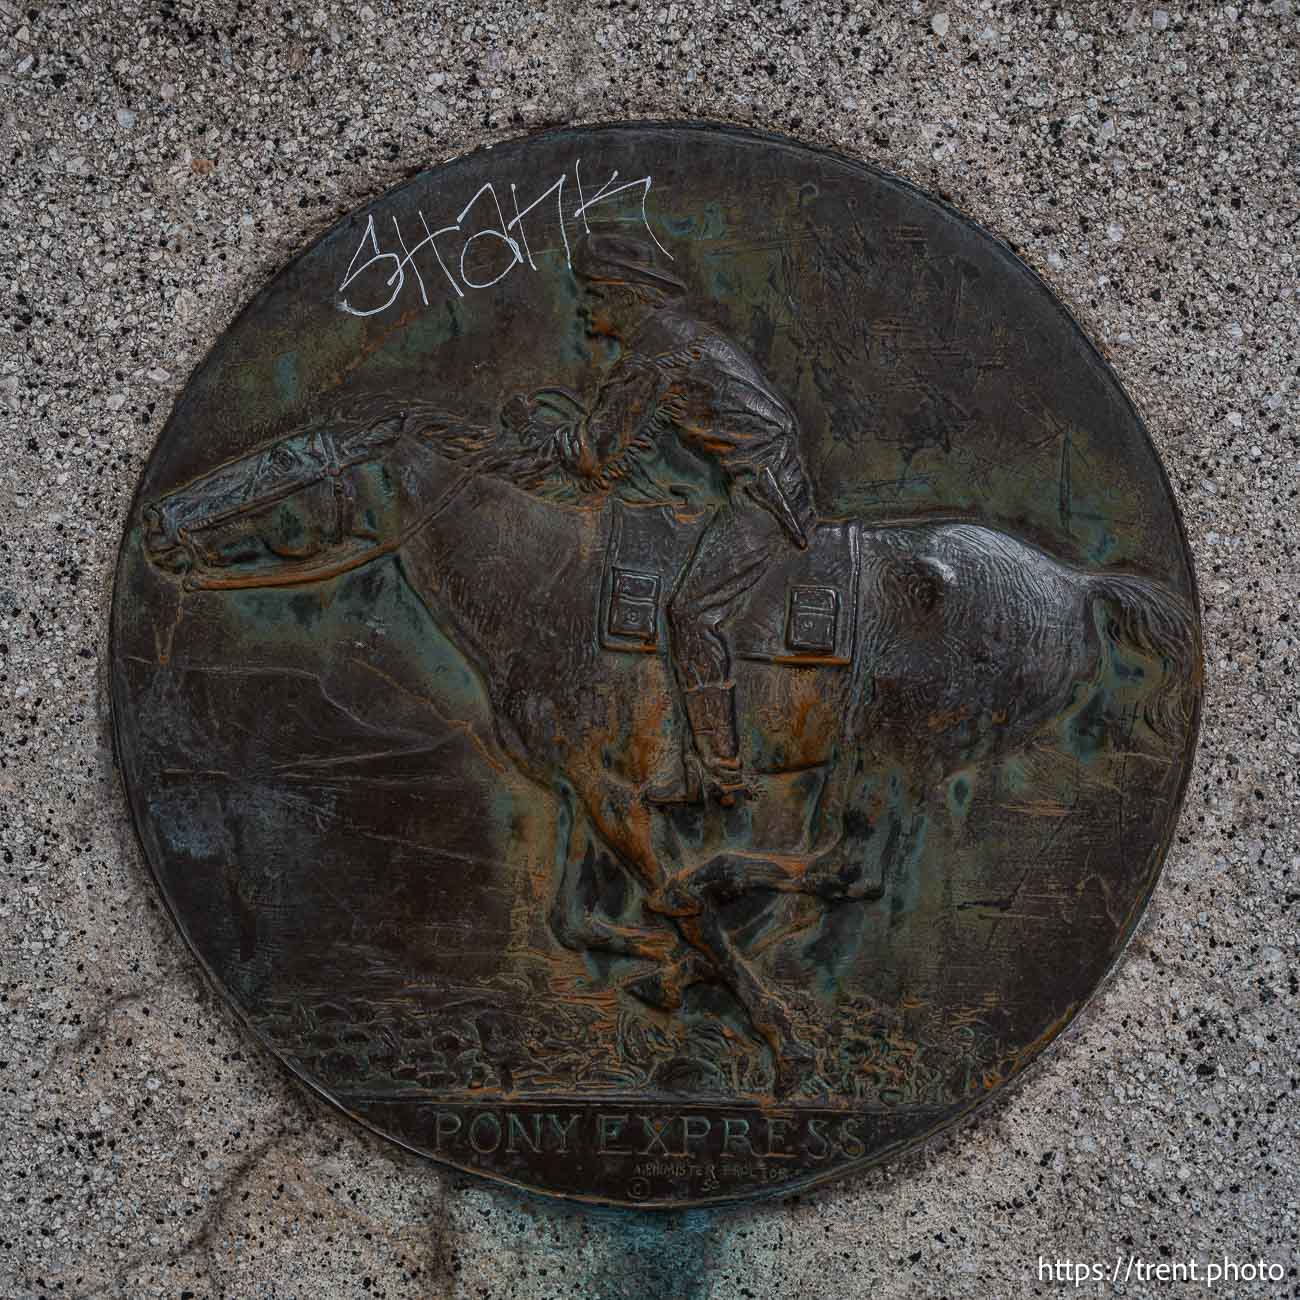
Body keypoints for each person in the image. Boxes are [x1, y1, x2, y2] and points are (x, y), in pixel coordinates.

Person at [525, 229, 818, 806]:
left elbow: (594, 454)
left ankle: (719, 773)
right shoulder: (680, 340)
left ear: (627, 297)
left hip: (764, 494)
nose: (583, 306)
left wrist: (538, 433)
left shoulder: (656, 356)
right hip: (750, 481)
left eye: (594, 294)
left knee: (690, 613)